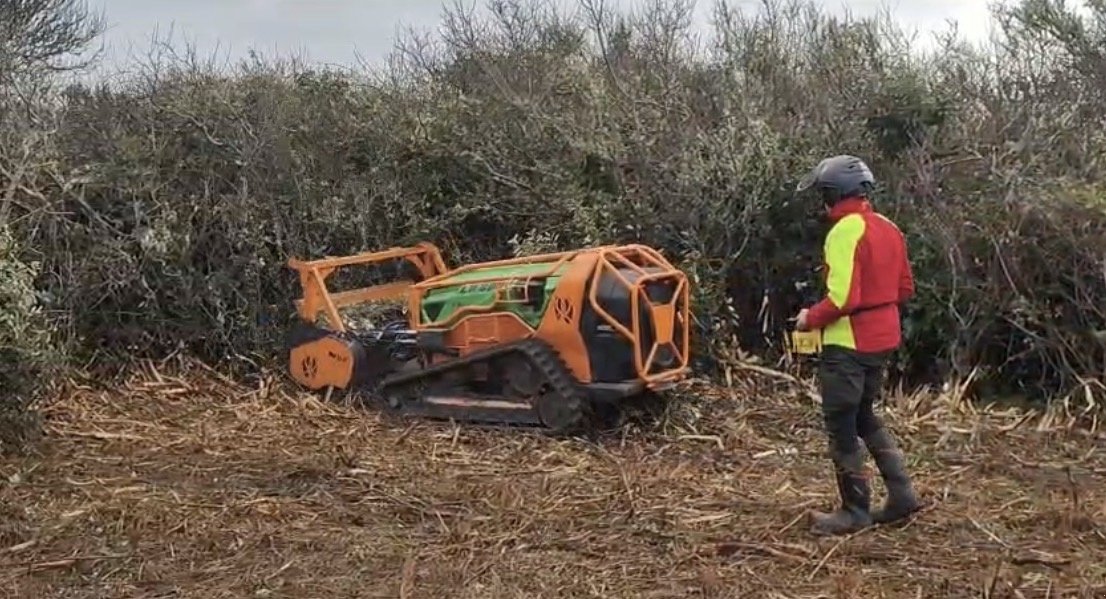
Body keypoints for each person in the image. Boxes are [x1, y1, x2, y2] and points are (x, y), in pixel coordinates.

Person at [792, 154, 922, 536]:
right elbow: (905, 288)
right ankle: (902, 496)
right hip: (883, 338)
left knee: (841, 425)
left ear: (833, 194)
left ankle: (855, 510)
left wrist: (809, 317)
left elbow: (842, 299)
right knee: (864, 415)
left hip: (849, 343)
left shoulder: (844, 232)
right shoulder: (888, 226)